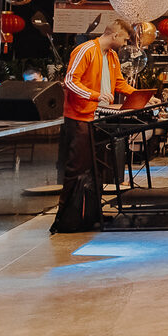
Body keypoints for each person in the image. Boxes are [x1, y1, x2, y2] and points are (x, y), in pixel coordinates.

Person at [53, 20, 139, 233]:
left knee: (97, 169)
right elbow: (70, 82)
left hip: (100, 117)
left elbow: (118, 83)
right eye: (125, 39)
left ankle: (91, 215)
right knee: (76, 168)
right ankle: (64, 220)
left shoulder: (111, 56)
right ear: (115, 35)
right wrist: (96, 95)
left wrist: (138, 96)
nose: (125, 43)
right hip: (80, 117)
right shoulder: (85, 50)